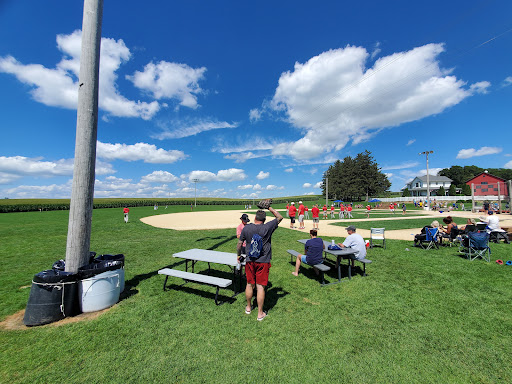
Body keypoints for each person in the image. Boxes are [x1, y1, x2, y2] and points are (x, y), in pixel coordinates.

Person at [238, 206, 283, 321]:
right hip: (263, 261)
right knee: (261, 287)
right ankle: (260, 313)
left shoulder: (246, 228)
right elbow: (279, 217)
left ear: (254, 218)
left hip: (249, 260)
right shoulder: (267, 227)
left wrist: (238, 255)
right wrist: (269, 207)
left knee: (249, 284)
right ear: (264, 219)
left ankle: (248, 307)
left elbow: (239, 244)